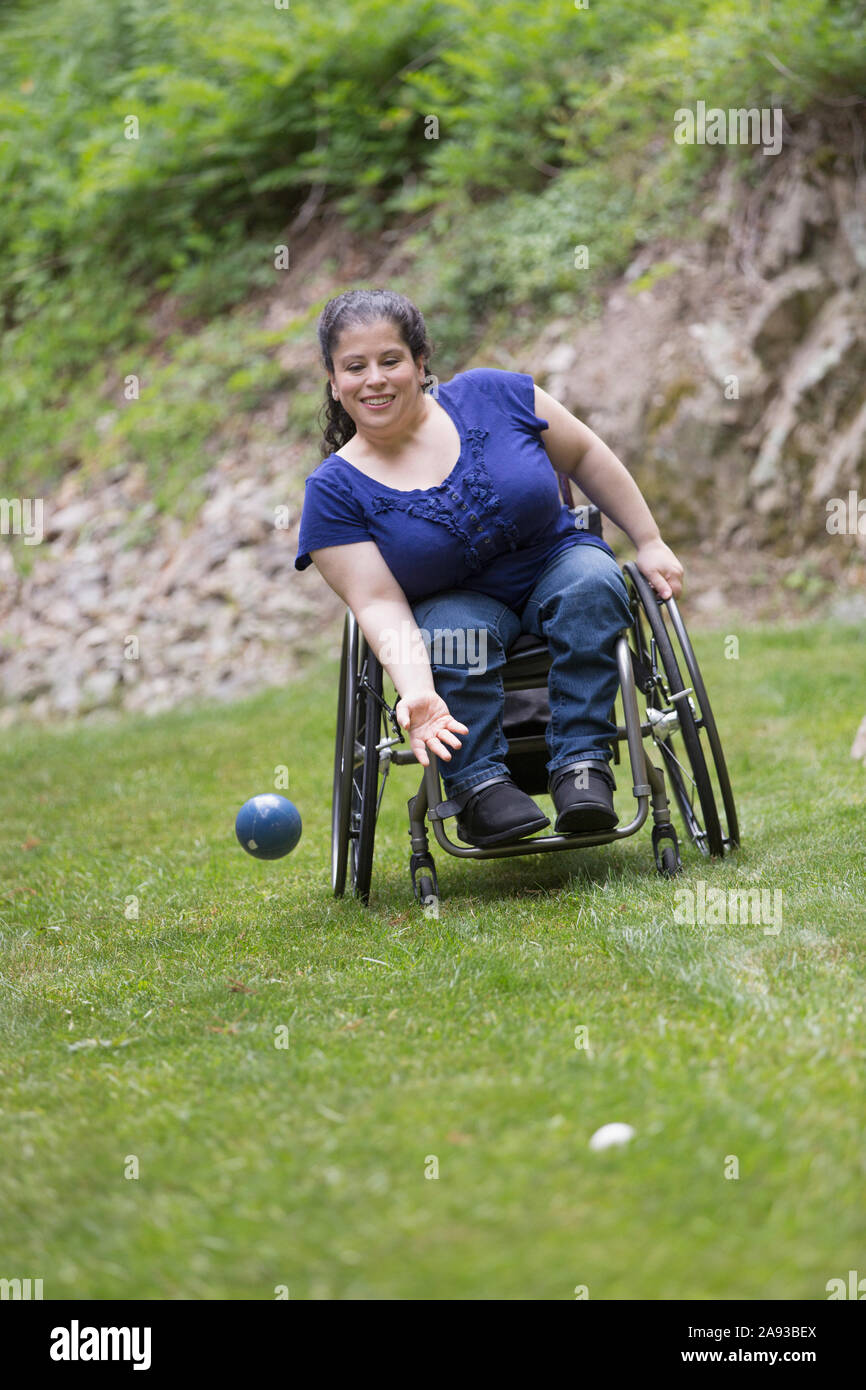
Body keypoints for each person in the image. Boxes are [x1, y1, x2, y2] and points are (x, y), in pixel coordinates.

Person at [295, 289, 683, 847]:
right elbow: (378, 603)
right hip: (452, 600)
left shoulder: (495, 395)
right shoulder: (334, 491)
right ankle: (480, 788)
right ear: (334, 381)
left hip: (554, 558)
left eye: (390, 360)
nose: (374, 379)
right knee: (454, 636)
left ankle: (583, 765)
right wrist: (416, 691)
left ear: (420, 362)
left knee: (594, 587)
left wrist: (649, 541)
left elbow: (585, 455)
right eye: (354, 367)